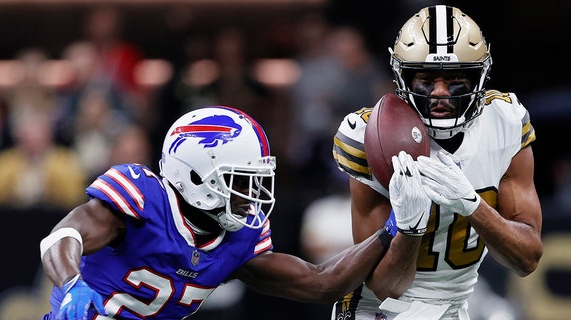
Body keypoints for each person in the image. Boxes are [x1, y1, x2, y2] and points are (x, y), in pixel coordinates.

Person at [39, 105, 429, 320]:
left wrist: (393, 230)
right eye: (241, 181)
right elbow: (62, 237)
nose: (252, 196)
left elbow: (322, 282)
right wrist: (73, 284)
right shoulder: (143, 197)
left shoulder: (238, 240)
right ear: (194, 174)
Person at [331, 5, 543, 319]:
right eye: (427, 79)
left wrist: (472, 205)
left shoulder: (504, 121)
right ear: (403, 79)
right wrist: (411, 228)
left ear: (478, 78)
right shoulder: (369, 136)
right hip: (378, 311)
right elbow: (383, 286)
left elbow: (527, 258)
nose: (440, 93)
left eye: (456, 78)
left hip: (455, 308)